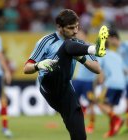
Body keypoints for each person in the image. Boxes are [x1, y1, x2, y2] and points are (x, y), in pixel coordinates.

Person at [24, 9, 109, 140]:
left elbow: (97, 68)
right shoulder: (46, 41)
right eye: (71, 28)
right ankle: (94, 49)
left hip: (65, 89)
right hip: (49, 84)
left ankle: (95, 50)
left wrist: (81, 58)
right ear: (59, 27)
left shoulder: (78, 44)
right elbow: (26, 68)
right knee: (67, 45)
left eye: (77, 27)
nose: (75, 31)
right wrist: (38, 65)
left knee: (80, 134)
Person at [96, 31, 126, 138]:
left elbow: (100, 71)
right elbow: (124, 71)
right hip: (121, 84)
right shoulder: (116, 55)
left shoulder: (101, 54)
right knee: (110, 107)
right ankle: (113, 130)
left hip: (111, 83)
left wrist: (99, 82)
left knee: (99, 103)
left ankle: (117, 119)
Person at [72, 30, 97, 134]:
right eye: (77, 34)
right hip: (77, 80)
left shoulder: (91, 47)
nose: (78, 36)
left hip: (88, 82)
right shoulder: (76, 47)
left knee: (91, 104)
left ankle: (91, 125)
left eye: (80, 34)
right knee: (72, 102)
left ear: (85, 35)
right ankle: (75, 123)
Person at [109, 30, 128, 134]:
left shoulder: (125, 45)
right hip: (125, 81)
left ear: (114, 38)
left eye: (110, 39)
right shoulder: (118, 50)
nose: (110, 42)